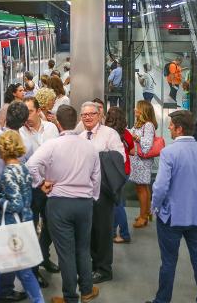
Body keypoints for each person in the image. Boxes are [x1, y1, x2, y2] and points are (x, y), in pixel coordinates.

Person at [26, 105, 101, 303]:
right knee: (83, 249)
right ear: (76, 120)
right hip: (84, 204)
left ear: (57, 123)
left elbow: (31, 164)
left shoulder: (52, 145)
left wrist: (41, 183)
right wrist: (91, 197)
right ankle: (87, 290)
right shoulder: (89, 147)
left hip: (59, 204)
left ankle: (70, 297)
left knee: (65, 253)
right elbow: (96, 178)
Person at [146, 110, 197, 303]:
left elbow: (161, 186)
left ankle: (162, 300)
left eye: (171, 125)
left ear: (179, 129)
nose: (169, 127)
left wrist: (153, 206)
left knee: (169, 262)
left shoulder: (169, 153)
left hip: (171, 217)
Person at [0, 130, 44, 303]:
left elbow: (15, 203)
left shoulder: (8, 172)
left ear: (2, 149)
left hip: (9, 228)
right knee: (23, 272)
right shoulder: (23, 168)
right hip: (23, 224)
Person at [78, 102, 125, 284]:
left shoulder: (109, 134)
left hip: (103, 192)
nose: (87, 117)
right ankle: (93, 264)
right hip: (84, 191)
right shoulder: (80, 136)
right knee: (89, 231)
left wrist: (95, 158)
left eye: (91, 114)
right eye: (84, 115)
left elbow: (119, 158)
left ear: (99, 115)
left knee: (103, 231)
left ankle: (104, 269)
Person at [20, 96, 61, 277]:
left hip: (51, 185)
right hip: (31, 188)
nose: (26, 116)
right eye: (24, 112)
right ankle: (33, 270)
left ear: (38, 111)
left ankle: (43, 255)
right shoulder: (19, 133)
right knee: (31, 228)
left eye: (29, 111)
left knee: (51, 225)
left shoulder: (51, 129)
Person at [105, 107, 134, 244]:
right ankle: (111, 232)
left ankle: (124, 234)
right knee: (118, 202)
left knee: (117, 204)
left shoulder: (106, 133)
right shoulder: (126, 133)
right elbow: (133, 152)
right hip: (125, 170)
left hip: (110, 171)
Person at [130, 100, 157, 229]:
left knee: (141, 188)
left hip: (142, 161)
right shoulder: (140, 124)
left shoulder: (148, 125)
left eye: (137, 108)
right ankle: (146, 213)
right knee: (142, 187)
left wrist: (135, 137)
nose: (135, 110)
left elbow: (147, 145)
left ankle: (143, 217)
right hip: (137, 161)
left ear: (143, 111)